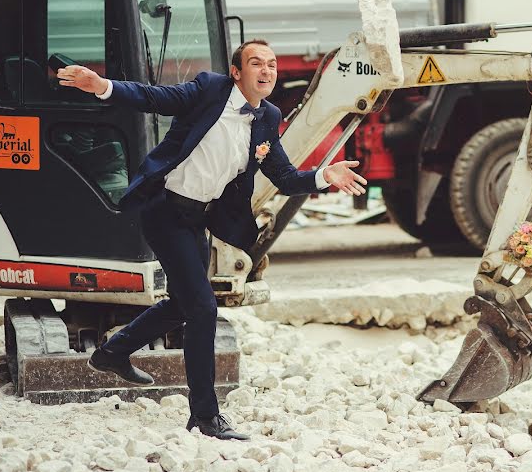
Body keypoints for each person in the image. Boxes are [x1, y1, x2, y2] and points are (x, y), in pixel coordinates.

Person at [57, 39, 367, 441]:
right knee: (202, 309)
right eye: (257, 63)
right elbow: (153, 97)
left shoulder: (268, 117)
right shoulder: (209, 89)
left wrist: (324, 175)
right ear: (237, 72)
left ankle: (113, 352)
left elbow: (285, 177)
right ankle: (205, 416)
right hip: (165, 210)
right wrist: (102, 86)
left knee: (184, 303)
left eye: (272, 64)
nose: (267, 70)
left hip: (198, 219)